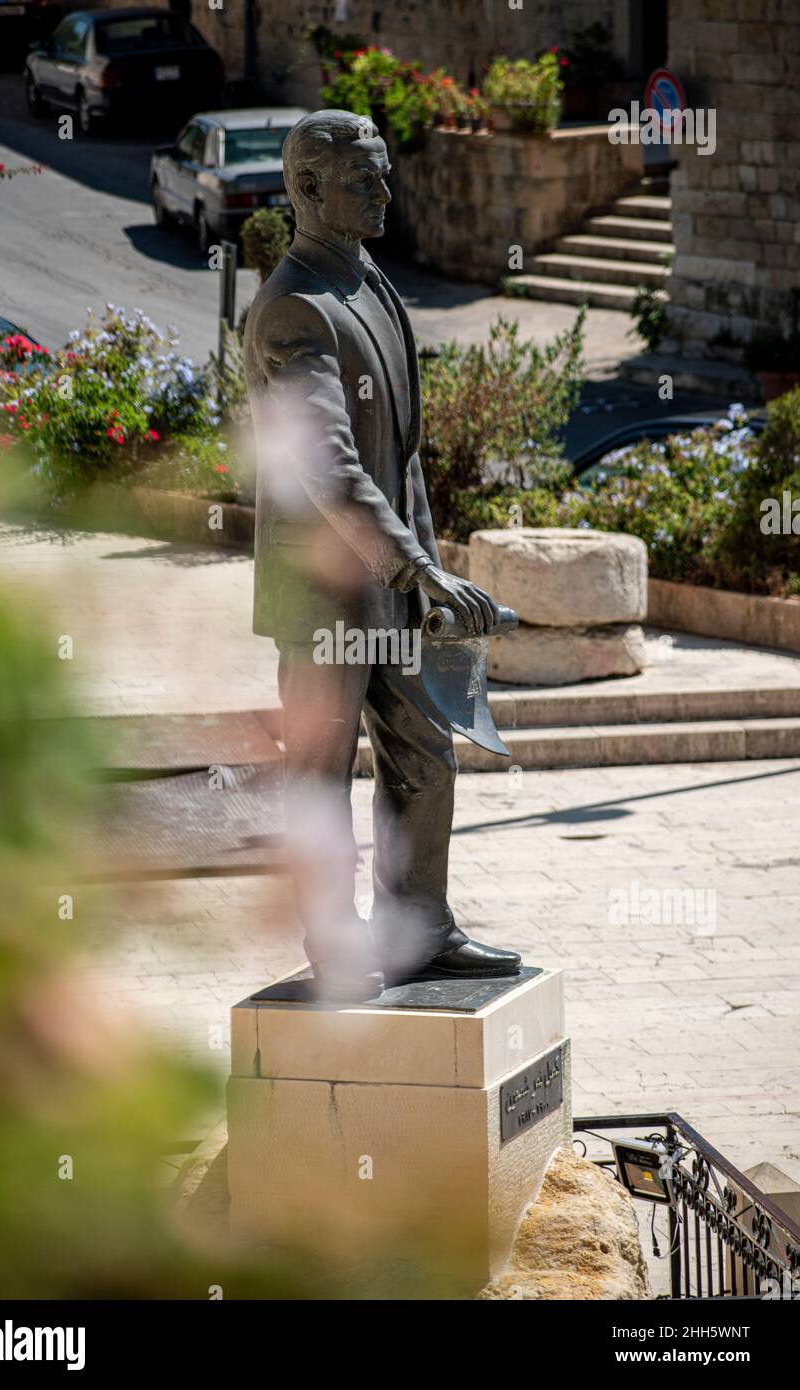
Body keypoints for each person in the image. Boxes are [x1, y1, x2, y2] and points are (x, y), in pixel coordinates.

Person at [244, 109, 522, 998]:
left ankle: (419, 927)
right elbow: (331, 466)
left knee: (424, 755)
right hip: (322, 592)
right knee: (319, 773)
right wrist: (417, 567)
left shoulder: (373, 285)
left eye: (383, 172)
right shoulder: (294, 307)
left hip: (394, 587)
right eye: (364, 178)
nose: (384, 190)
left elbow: (399, 463)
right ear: (308, 190)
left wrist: (423, 575)